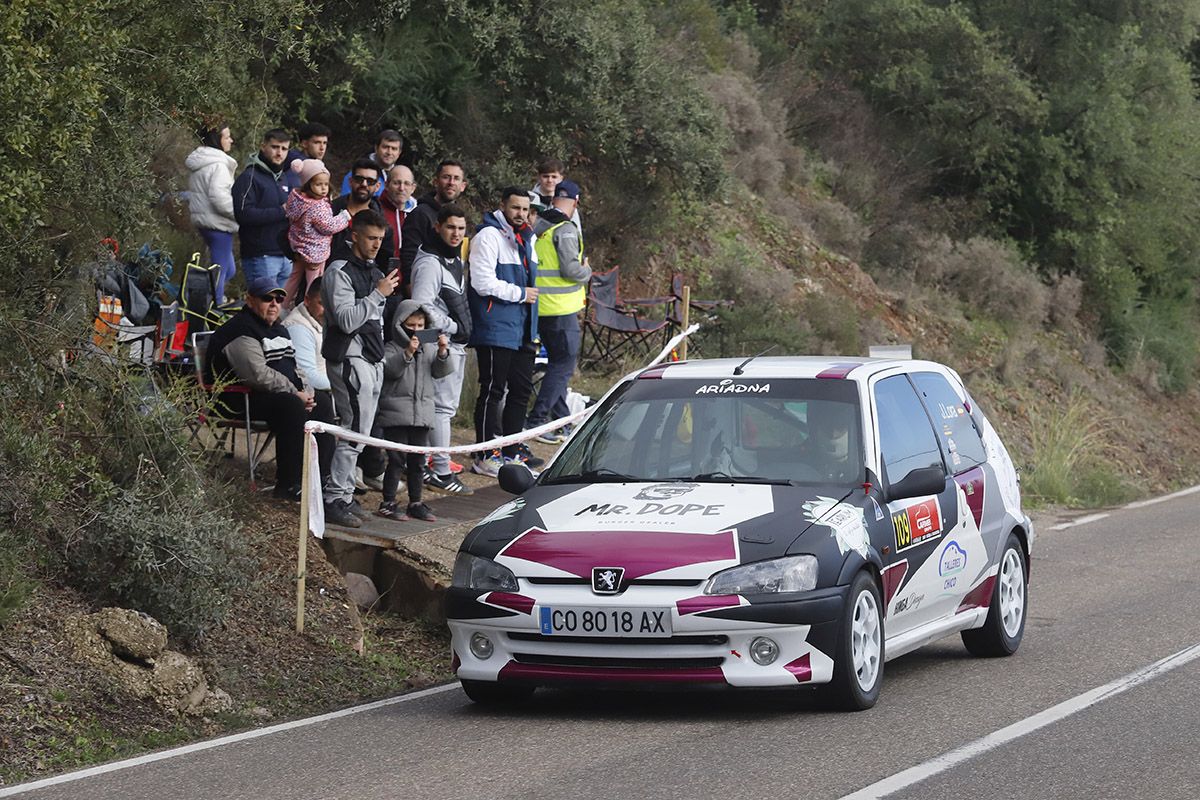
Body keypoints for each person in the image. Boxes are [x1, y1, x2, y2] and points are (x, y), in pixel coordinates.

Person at [204, 276, 329, 501]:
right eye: (267, 298)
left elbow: (295, 367)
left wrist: (306, 391)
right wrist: (295, 393)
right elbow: (258, 375)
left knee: (323, 403)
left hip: (272, 396)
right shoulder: (240, 330)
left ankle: (323, 482)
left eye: (279, 298)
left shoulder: (279, 329)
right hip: (235, 399)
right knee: (291, 406)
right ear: (250, 300)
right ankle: (289, 485)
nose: (274, 304)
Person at [321, 210, 400, 528]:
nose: (376, 245)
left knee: (361, 434)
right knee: (353, 430)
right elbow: (346, 320)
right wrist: (378, 294)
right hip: (348, 358)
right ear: (354, 235)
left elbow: (375, 323)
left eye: (380, 240)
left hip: (371, 358)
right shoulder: (338, 271)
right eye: (371, 238)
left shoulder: (375, 271)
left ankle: (343, 494)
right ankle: (332, 498)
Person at [468, 188, 539, 476]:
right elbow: (481, 282)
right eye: (515, 208)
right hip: (496, 325)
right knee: (493, 390)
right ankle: (485, 453)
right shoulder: (488, 236)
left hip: (523, 327)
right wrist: (520, 293)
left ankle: (512, 449)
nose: (520, 214)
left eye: (524, 209)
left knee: (521, 390)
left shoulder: (527, 237)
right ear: (502, 206)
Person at [410, 205, 474, 495]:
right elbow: (421, 305)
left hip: (453, 343)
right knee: (441, 409)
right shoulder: (429, 263)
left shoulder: (454, 259)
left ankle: (428, 466)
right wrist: (449, 328)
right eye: (451, 227)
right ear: (438, 227)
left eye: (461, 229)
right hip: (439, 343)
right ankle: (440, 470)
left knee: (442, 408)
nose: (456, 234)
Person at [526, 179, 591, 444]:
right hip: (561, 310)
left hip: (540, 306)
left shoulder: (539, 225)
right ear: (575, 203)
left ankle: (561, 419)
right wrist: (586, 270)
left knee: (556, 366)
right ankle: (538, 421)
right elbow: (570, 270)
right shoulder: (565, 228)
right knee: (562, 366)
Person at [375, 299, 453, 521]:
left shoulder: (428, 349)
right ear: (400, 324)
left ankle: (416, 502)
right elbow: (390, 371)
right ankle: (388, 501)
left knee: (418, 462)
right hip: (396, 414)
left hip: (423, 414)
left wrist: (442, 351)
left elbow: (440, 372)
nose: (416, 330)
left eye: (420, 325)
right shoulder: (391, 347)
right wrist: (407, 353)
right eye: (411, 325)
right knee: (396, 460)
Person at [283, 277, 335, 487]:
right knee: (324, 403)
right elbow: (308, 375)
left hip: (329, 389)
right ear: (307, 300)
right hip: (308, 392)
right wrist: (342, 385)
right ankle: (324, 477)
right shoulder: (299, 327)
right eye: (322, 303)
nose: (326, 310)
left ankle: (357, 471)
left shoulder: (325, 322)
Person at [282, 159, 350, 305]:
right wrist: (344, 217)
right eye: (318, 184)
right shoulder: (317, 207)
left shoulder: (297, 199)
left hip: (299, 247)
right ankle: (309, 307)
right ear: (308, 184)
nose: (324, 188)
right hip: (315, 252)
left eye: (326, 184)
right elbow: (328, 226)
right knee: (314, 283)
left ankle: (282, 304)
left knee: (294, 277)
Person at [185, 123, 239, 304]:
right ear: (217, 140)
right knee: (220, 272)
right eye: (227, 137)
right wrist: (239, 213)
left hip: (205, 222)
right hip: (218, 224)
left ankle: (204, 299)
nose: (230, 140)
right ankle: (212, 308)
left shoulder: (203, 162)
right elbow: (219, 197)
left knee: (227, 269)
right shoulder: (218, 166)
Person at [233, 128, 292, 290]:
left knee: (278, 312)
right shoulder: (248, 177)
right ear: (262, 146)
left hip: (285, 256)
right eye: (275, 147)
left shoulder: (283, 178)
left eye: (284, 149)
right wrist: (282, 211)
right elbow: (244, 214)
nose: (279, 153)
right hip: (260, 256)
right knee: (261, 310)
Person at [399, 160, 469, 291]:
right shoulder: (420, 214)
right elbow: (409, 255)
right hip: (425, 289)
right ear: (436, 182)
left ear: (463, 185)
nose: (451, 182)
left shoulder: (459, 218)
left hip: (451, 290)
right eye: (446, 177)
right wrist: (411, 289)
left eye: (456, 178)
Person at [329, 159, 395, 266]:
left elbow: (384, 261)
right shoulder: (330, 211)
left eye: (370, 181)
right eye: (359, 179)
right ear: (350, 182)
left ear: (377, 186)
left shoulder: (383, 224)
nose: (364, 184)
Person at [339, 129, 402, 197]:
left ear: (399, 153)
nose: (389, 152)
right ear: (376, 148)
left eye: (394, 149)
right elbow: (345, 202)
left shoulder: (401, 178)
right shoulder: (357, 174)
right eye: (385, 147)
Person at [531, 157, 582, 240]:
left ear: (561, 178)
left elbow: (577, 234)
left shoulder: (569, 203)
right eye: (546, 176)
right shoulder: (529, 200)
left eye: (554, 177)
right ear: (539, 177)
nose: (550, 180)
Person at [379, 164, 417, 263]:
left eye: (407, 184)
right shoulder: (376, 211)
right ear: (386, 185)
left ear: (413, 188)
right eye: (397, 183)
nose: (401, 188)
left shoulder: (417, 215)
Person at [283, 122, 332, 192]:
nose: (322, 147)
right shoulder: (299, 167)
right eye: (317, 142)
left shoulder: (315, 164)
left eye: (324, 143)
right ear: (304, 144)